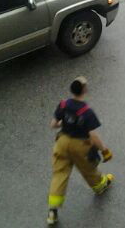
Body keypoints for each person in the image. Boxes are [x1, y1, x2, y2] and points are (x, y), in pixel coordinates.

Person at [47, 76, 114, 226]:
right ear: (84, 90)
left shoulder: (63, 104)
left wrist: (65, 122)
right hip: (80, 145)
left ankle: (52, 212)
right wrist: (104, 150)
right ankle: (100, 185)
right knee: (88, 169)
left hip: (62, 142)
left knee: (59, 174)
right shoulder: (87, 111)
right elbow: (93, 136)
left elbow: (53, 125)